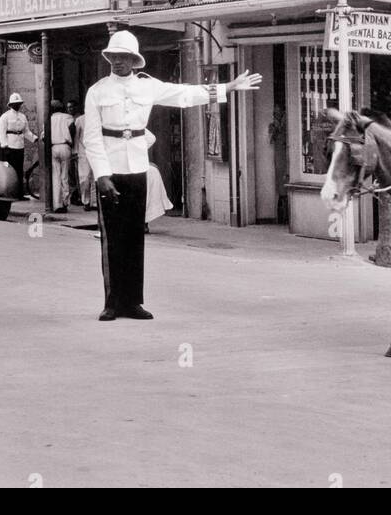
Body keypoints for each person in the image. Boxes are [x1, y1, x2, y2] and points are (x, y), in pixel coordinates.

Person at [82, 30, 261, 321]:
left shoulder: (148, 86)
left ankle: (133, 302)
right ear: (109, 59)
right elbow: (92, 137)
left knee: (134, 235)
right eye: (114, 57)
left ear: (134, 60)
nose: (118, 62)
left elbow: (185, 95)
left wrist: (228, 87)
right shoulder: (97, 91)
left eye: (124, 57)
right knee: (112, 237)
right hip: (111, 169)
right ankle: (113, 302)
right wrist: (102, 174)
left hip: (138, 166)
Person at [0, 92, 37, 191]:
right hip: (9, 146)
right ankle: (10, 192)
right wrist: (4, 145)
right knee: (10, 170)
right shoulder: (5, 117)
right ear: (10, 105)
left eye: (19, 103)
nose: (17, 105)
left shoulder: (22, 116)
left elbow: (26, 131)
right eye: (15, 104)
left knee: (19, 169)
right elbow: (1, 132)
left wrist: (34, 138)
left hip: (20, 145)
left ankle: (19, 193)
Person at [48, 99, 75, 214]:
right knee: (65, 176)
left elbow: (44, 136)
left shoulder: (48, 119)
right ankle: (65, 202)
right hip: (65, 147)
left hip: (54, 147)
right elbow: (73, 131)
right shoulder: (68, 118)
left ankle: (57, 204)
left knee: (56, 176)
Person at [71, 99, 94, 209]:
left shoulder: (98, 119)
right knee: (84, 177)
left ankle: (94, 202)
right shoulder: (80, 120)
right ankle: (86, 201)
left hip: (95, 151)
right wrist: (75, 151)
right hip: (83, 151)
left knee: (95, 177)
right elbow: (76, 137)